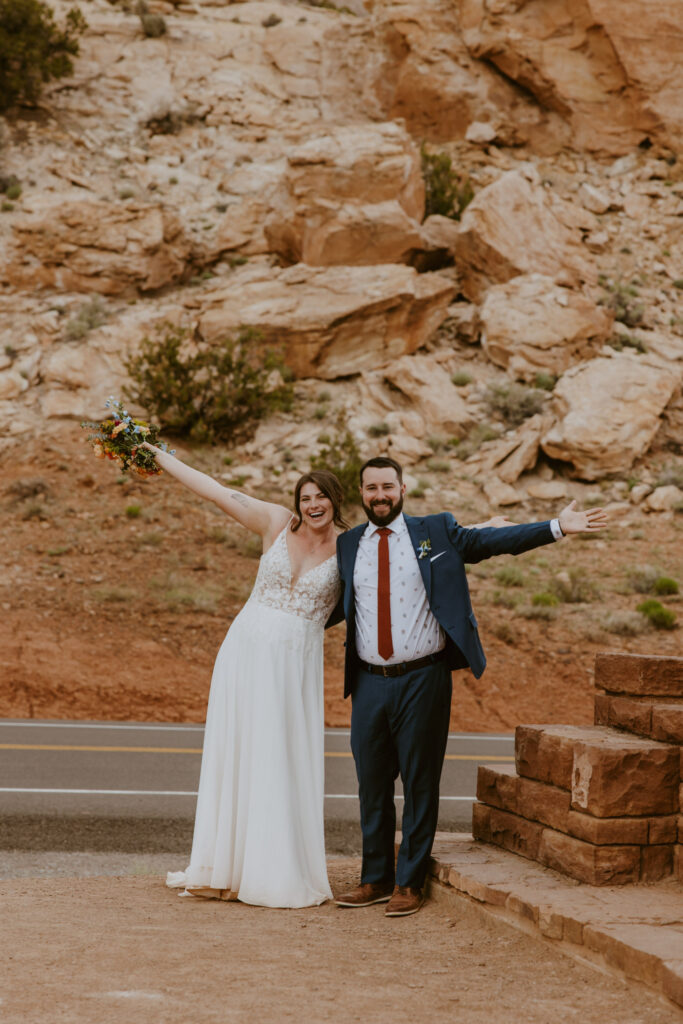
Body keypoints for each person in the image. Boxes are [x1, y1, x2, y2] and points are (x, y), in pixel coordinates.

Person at [333, 456, 608, 918]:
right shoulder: (348, 544)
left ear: (402, 488)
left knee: (421, 783)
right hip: (368, 682)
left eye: (387, 486)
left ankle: (408, 882)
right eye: (370, 488)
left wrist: (555, 526)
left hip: (423, 677)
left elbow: (491, 541)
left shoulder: (435, 530)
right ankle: (375, 878)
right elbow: (328, 601)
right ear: (361, 493)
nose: (379, 495)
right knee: (371, 785)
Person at [144, 441, 346, 908]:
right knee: (238, 751)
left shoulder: (350, 545)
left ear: (336, 500)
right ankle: (223, 867)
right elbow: (215, 491)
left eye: (321, 497)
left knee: (279, 754)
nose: (312, 505)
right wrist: (154, 452)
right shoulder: (276, 522)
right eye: (306, 497)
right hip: (246, 648)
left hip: (295, 661)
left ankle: (271, 870)